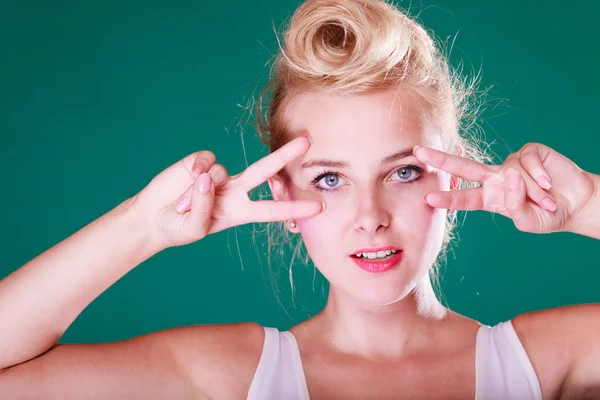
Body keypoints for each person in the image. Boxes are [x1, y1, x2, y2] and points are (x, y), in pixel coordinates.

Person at [1, 0, 599, 398]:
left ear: (455, 177)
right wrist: (142, 227)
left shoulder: (545, 359)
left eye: (404, 172)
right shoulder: (233, 375)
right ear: (281, 193)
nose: (371, 219)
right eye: (330, 179)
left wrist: (589, 204)